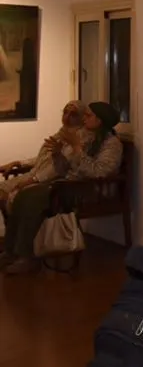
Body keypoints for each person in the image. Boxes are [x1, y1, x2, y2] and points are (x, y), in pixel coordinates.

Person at [1, 101, 123, 274]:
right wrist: (58, 153)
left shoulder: (111, 143)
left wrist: (77, 149)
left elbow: (98, 172)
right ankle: (11, 250)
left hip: (82, 188)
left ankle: (27, 257)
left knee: (30, 198)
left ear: (100, 120)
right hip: (64, 183)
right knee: (23, 195)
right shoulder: (80, 134)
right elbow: (62, 167)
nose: (84, 119)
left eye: (89, 115)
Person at [0, 99, 89, 207]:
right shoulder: (61, 133)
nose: (67, 117)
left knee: (11, 197)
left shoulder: (77, 139)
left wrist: (32, 180)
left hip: (47, 183)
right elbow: (44, 157)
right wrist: (18, 163)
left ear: (82, 118)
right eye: (65, 112)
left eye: (73, 114)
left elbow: (57, 168)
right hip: (33, 175)